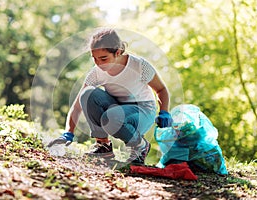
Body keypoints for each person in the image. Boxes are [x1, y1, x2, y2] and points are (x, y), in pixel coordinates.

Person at [47, 28, 172, 164]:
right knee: (87, 94)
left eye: (104, 58)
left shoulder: (139, 65)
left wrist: (164, 112)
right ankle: (103, 146)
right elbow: (77, 106)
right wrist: (68, 133)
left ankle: (140, 146)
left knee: (112, 116)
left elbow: (161, 89)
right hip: (116, 108)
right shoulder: (96, 74)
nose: (99, 64)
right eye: (95, 59)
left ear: (117, 52)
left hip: (142, 110)